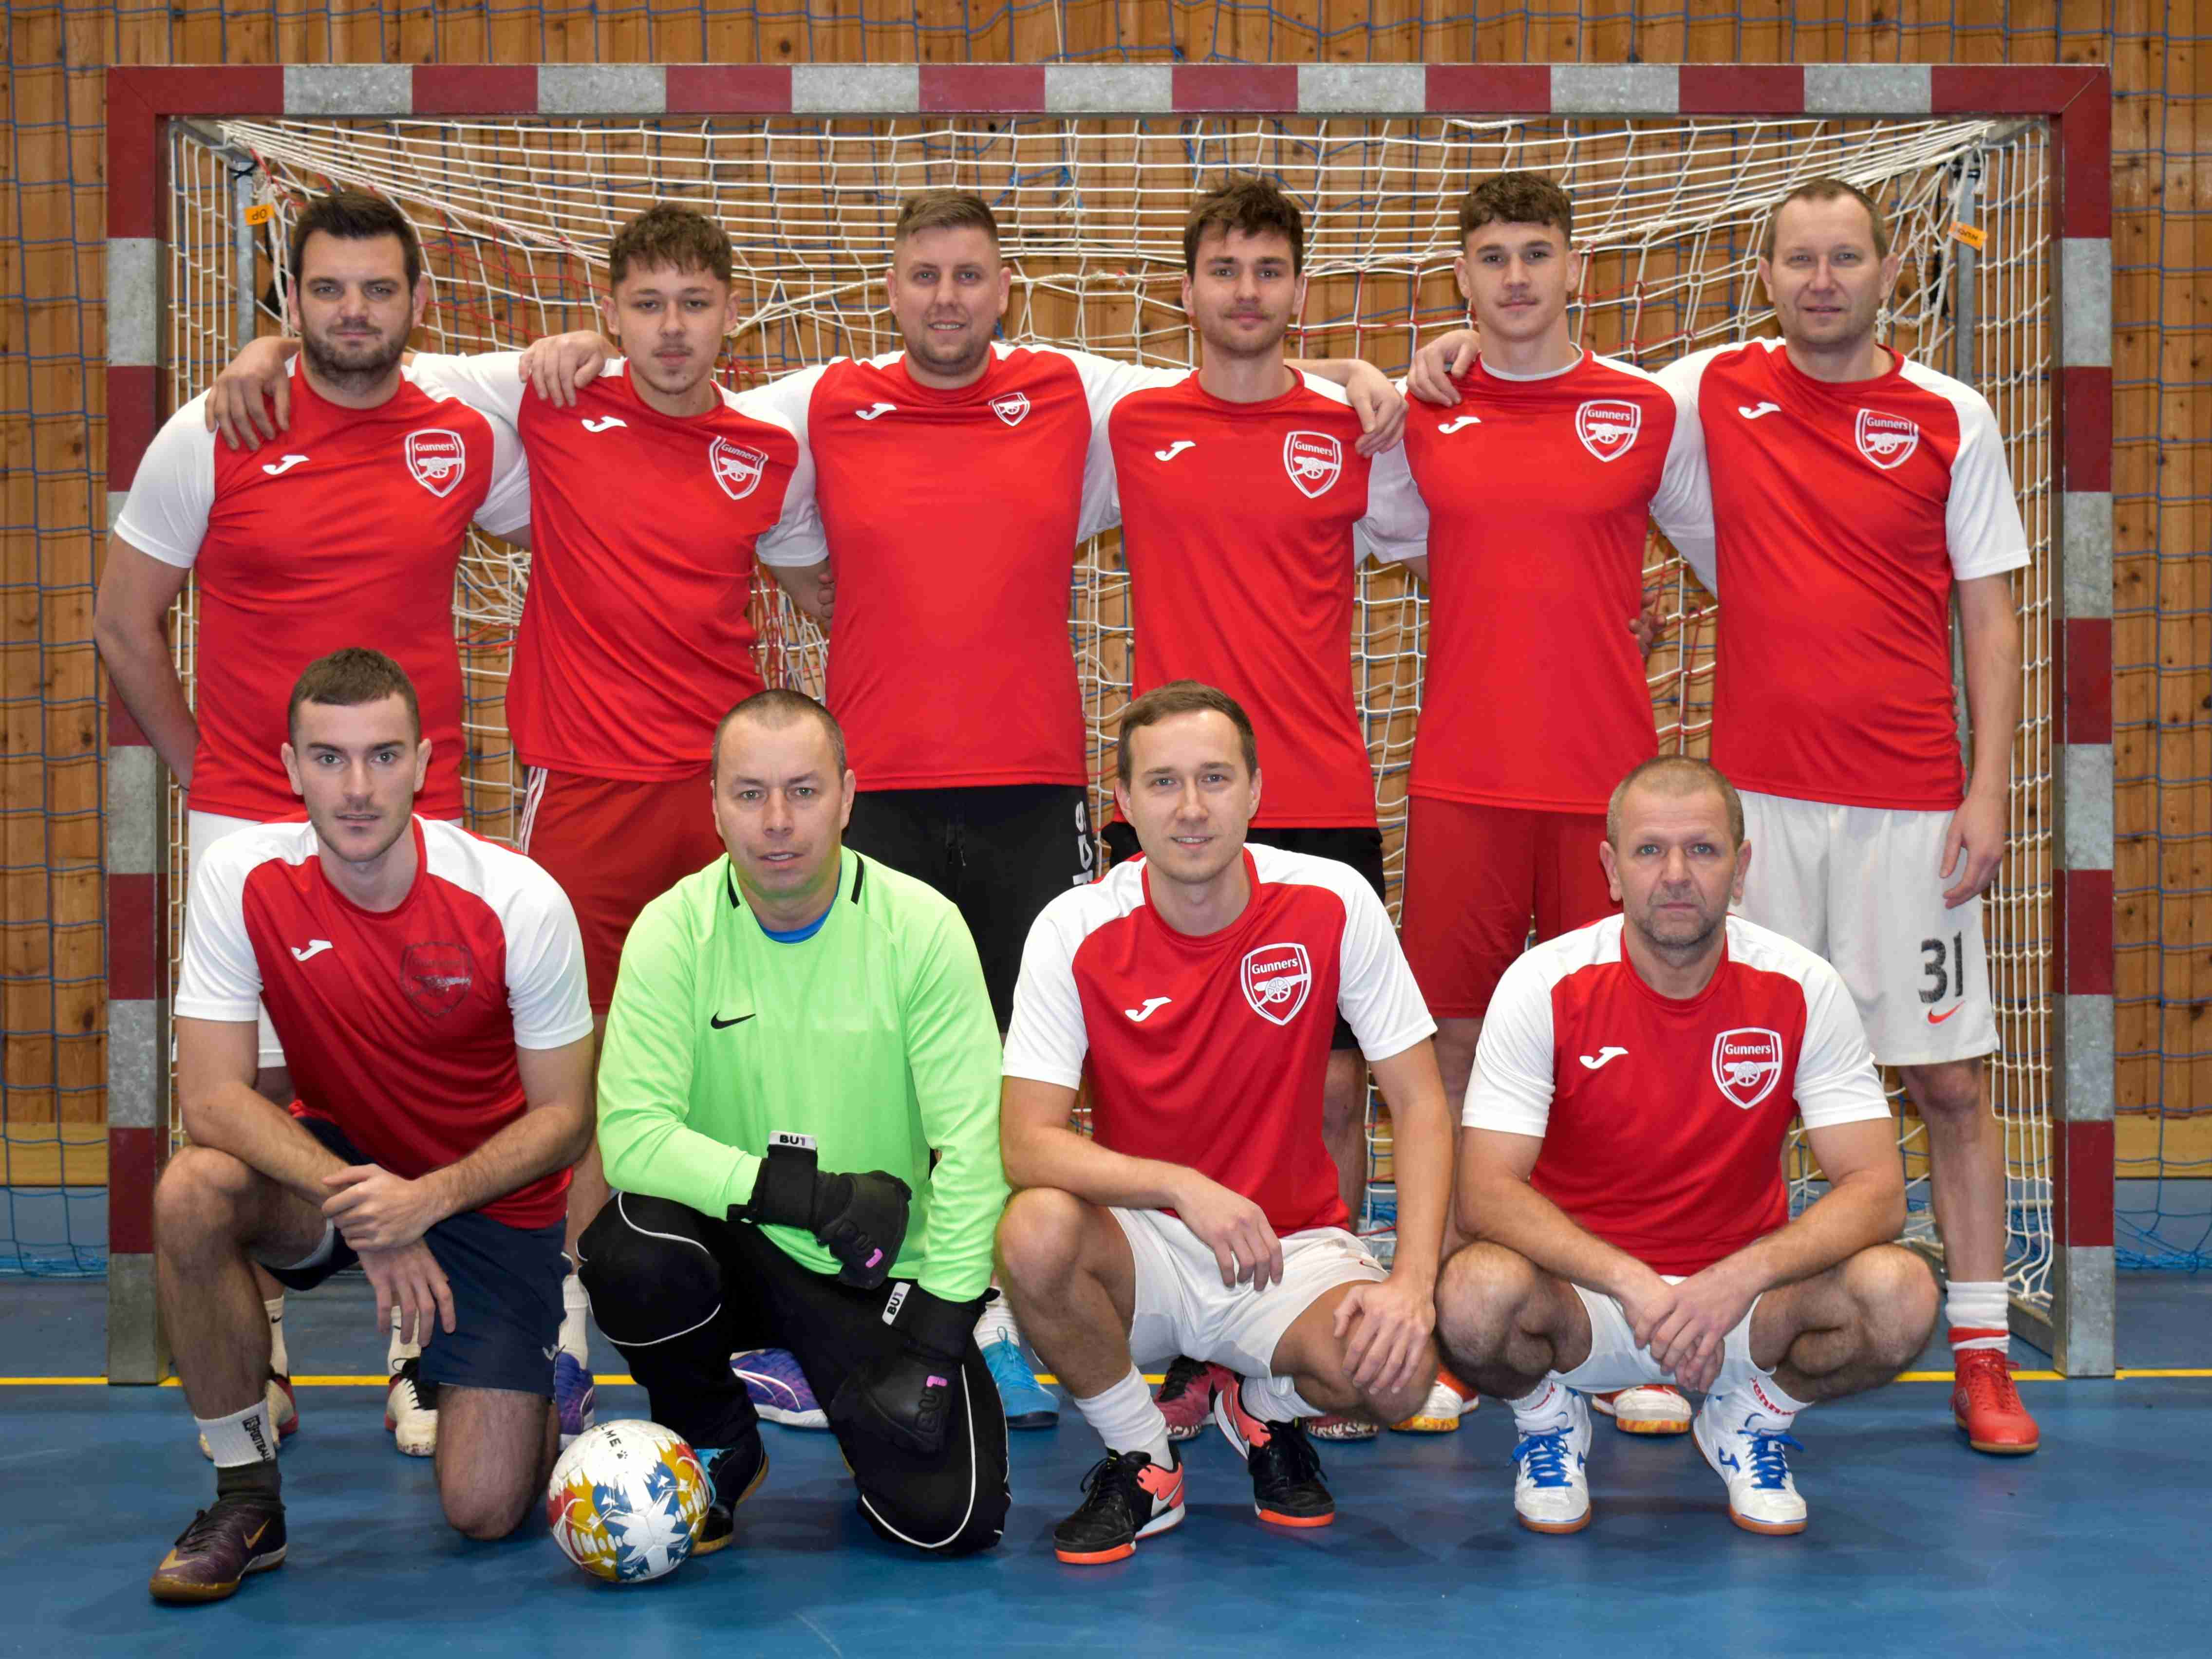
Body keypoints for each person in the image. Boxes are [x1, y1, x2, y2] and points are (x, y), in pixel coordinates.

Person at [522, 187, 1406, 1433]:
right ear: (892, 289)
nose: (947, 298)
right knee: (870, 1058)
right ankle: (839, 1304)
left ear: (1007, 290)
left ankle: (1001, 1306)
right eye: (925, 275)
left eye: (970, 276)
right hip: (875, 790)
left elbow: (1230, 373)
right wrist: (579, 354)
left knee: (1019, 1062)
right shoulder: (823, 403)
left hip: (1028, 788)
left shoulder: (1074, 394)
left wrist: (1357, 377)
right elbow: (687, 392)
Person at [204, 202, 829, 1447]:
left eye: (694, 304)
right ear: (607, 314)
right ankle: (559, 1327)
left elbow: (823, 583)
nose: (670, 329)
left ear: (732, 315)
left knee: (738, 1054)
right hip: (584, 788)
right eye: (644, 305)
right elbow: (372, 357)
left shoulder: (769, 450)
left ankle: (761, 1320)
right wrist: (264, 350)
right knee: (566, 1070)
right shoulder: (548, 403)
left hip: (720, 798)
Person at [100, 189, 532, 1461]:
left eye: (379, 289)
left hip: (419, 824)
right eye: (327, 290)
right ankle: (263, 1352)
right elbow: (123, 621)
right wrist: (214, 783)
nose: (354, 312)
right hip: (250, 821)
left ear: (417, 302)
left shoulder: (462, 426)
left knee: (432, 1082)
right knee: (251, 1104)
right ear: (291, 302)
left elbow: (577, 435)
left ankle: (421, 1352)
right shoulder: (211, 431)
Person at [1652, 178, 2038, 1454]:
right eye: (1798, 260)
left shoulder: (1951, 414)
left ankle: (1980, 1353)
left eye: (1844, 259)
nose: (1820, 281)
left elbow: (1989, 615)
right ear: (1764, 276)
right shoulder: (1711, 389)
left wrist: (1988, 786)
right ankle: (1701, 1337)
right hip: (1756, 812)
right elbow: (1572, 400)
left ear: (1885, 272)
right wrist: (1435, 358)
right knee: (1734, 1082)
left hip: (1909, 809)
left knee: (1947, 1081)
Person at [1082, 175, 1438, 1442]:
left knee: (1334, 1090)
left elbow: (1444, 537)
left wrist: (1376, 377)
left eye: (1268, 271)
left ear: (1299, 288)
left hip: (1317, 794)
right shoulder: (1126, 420)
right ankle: (1186, 1343)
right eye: (1223, 270)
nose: (1245, 292)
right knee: (1157, 1084)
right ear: (1183, 292)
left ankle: (1311, 1316)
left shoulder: (1352, 428)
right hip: (1169, 801)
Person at [148, 650, 595, 1603]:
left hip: (487, 1197)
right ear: (291, 766)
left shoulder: (517, 899)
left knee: (484, 1509)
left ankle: (530, 1375)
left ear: (424, 764)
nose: (357, 788)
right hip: (342, 1169)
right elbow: (212, 1098)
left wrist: (425, 1202)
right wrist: (371, 1212)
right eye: (330, 758)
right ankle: (246, 1498)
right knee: (193, 1190)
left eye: (383, 756)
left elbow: (565, 1119)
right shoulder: (241, 876)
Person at [1393, 171, 1717, 1435]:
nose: (1516, 276)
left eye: (1537, 252)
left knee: (1612, 1059)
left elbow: (1726, 553)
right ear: (1461, 277)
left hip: (1604, 796)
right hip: (1463, 780)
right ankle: (1456, 1325)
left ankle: (1620, 1334)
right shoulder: (1424, 412)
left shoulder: (1645, 412)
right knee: (1454, 1051)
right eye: (1491, 256)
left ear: (1576, 267)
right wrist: (1395, 374)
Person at [995, 682, 1452, 1565]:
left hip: (1291, 1248)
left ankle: (1263, 1405)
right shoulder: (1074, 927)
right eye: (1163, 783)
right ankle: (1143, 1457)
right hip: (1144, 1245)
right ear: (1124, 803)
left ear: (1254, 791)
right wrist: (1180, 1186)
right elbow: (1026, 1143)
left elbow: (1422, 1104)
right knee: (1034, 1230)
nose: (1191, 808)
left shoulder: (1331, 899)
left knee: (1400, 1378)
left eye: (1214, 778)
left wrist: (1413, 1283)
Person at [1434, 756, 1938, 1537]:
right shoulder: (1544, 983)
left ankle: (1752, 1417)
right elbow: (1485, 1192)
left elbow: (1875, 1189)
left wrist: (1738, 1278)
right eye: (1649, 851)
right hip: (1588, 1302)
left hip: (1741, 1306)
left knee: (1900, 1294)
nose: (1675, 875)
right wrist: (1628, 1281)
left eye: (1701, 850)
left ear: (1741, 867)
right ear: (1612, 870)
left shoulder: (1802, 985)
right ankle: (1547, 1419)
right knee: (1470, 1296)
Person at [574, 689, 1011, 1557]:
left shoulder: (922, 928)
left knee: (949, 1523)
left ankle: (850, 1398)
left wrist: (936, 1337)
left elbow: (975, 1149)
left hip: (870, 1262)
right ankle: (716, 1436)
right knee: (629, 1249)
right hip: (728, 1244)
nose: (776, 821)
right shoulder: (674, 930)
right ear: (714, 805)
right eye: (750, 793)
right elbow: (631, 1136)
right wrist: (810, 1197)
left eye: (803, 791)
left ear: (846, 796)